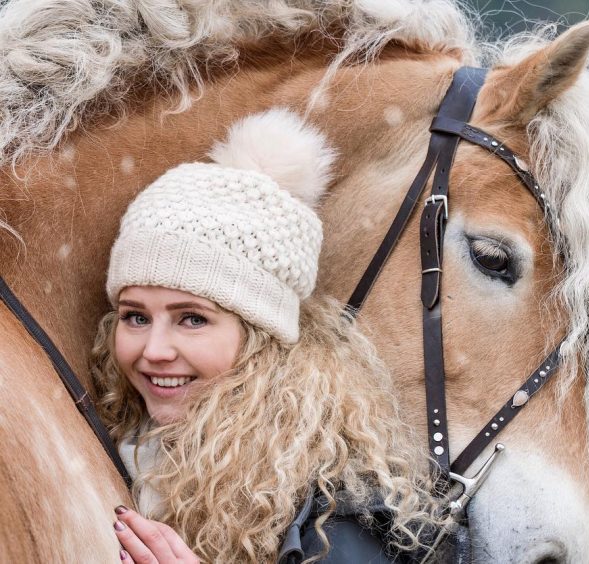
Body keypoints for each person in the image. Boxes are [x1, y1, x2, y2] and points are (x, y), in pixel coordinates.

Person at [91, 109, 441, 563]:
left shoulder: (336, 507)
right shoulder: (122, 449)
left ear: (262, 338)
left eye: (192, 319)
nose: (153, 350)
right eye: (135, 317)